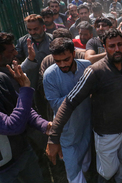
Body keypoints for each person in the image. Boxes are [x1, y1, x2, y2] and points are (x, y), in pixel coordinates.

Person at [46, 28, 122, 183]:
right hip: (107, 133)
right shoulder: (94, 71)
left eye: (119, 44)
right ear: (104, 47)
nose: (116, 49)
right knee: (107, 171)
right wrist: (54, 138)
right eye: (111, 46)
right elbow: (69, 102)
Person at [44, 38, 92, 183]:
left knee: (85, 160)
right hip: (67, 131)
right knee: (73, 170)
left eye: (66, 59)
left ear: (74, 53)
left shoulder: (87, 67)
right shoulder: (49, 76)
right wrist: (80, 92)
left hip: (86, 124)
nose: (62, 64)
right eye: (58, 61)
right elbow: (56, 104)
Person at [0, 58, 51, 183]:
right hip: (3, 170)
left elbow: (21, 107)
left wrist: (44, 125)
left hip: (23, 153)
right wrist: (25, 88)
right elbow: (12, 126)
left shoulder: (2, 79)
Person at [15, 14, 53, 105]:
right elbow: (17, 64)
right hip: (32, 83)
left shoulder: (52, 39)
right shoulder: (22, 41)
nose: (32, 32)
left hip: (50, 82)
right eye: (29, 29)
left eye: (36, 29)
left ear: (43, 27)